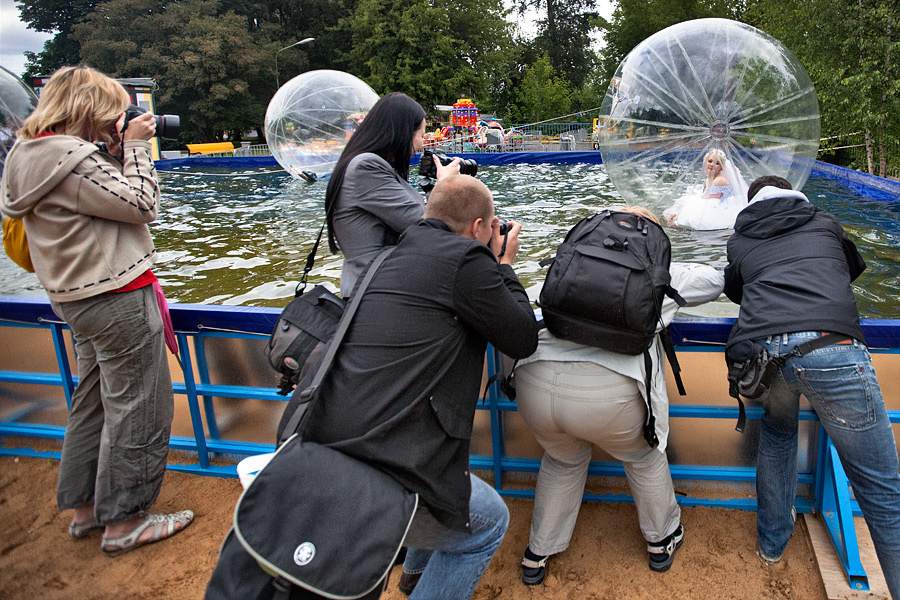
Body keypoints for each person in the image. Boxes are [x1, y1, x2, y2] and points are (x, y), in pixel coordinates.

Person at [299, 174, 539, 599]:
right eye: (492, 226)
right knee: (487, 524)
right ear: (479, 228)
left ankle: (413, 577)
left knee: (441, 478)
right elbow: (521, 336)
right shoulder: (468, 258)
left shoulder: (384, 258)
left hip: (319, 443)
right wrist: (504, 266)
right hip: (379, 464)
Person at [0, 65, 192, 556]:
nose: (118, 117)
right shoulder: (72, 157)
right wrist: (134, 148)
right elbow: (142, 203)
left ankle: (86, 509)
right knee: (141, 406)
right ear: (88, 107)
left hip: (73, 298)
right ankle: (125, 520)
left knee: (94, 401)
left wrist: (111, 148)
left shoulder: (28, 154)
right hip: (116, 297)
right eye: (111, 108)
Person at [513, 207, 724, 583]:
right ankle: (662, 540)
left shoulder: (574, 258)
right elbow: (713, 282)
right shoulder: (658, 272)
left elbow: (530, 301)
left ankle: (537, 554)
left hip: (534, 381)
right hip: (609, 397)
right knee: (644, 458)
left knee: (563, 460)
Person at [724, 175, 900, 598]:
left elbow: (737, 293)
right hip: (834, 349)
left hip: (770, 360)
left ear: (751, 203)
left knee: (779, 436)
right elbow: (851, 269)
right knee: (881, 490)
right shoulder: (824, 221)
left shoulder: (740, 238)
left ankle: (771, 546)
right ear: (792, 192)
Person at [324, 92, 459, 297]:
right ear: (403, 132)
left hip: (379, 290)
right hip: (373, 296)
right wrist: (445, 183)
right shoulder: (365, 167)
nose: (422, 144)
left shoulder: (371, 166)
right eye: (421, 135)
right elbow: (424, 224)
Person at [664, 149, 748, 230]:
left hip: (720, 211)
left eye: (717, 163)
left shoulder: (719, 180)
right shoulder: (709, 179)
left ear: (721, 167)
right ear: (705, 163)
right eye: (710, 161)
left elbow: (708, 204)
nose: (712, 165)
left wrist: (679, 217)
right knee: (669, 216)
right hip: (713, 207)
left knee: (683, 221)